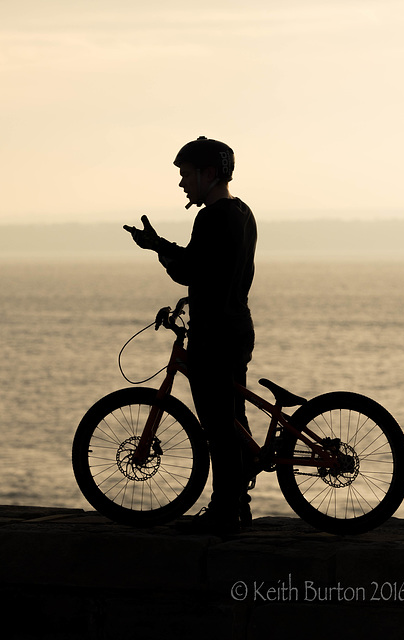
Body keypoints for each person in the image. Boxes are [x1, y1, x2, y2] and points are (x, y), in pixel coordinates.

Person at [125, 136, 257, 534]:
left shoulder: (212, 217)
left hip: (214, 334)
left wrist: (157, 247)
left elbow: (189, 269)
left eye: (186, 174)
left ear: (209, 173)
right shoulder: (243, 213)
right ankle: (239, 503)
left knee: (217, 426)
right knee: (232, 418)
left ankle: (224, 511)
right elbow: (215, 271)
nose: (183, 183)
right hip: (237, 326)